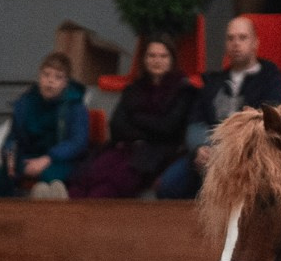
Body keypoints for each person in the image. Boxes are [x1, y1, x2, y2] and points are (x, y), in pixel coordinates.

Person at [154, 16, 281, 199]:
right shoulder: (213, 81)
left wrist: (230, 151)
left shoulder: (271, 79)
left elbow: (274, 120)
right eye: (230, 38)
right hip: (209, 153)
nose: (235, 43)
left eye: (242, 38)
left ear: (255, 43)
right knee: (168, 187)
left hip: (251, 156)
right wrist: (200, 148)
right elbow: (196, 121)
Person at [69, 35, 196, 199]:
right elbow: (116, 126)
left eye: (163, 56)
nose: (157, 60)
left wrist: (135, 117)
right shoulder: (133, 89)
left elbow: (167, 129)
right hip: (123, 148)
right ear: (144, 59)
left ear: (172, 59)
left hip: (155, 154)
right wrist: (149, 125)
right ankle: (57, 210)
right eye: (151, 56)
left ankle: (85, 219)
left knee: (112, 183)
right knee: (90, 174)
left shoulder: (183, 90)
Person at [0, 51, 90, 199]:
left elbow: (78, 142)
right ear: (39, 77)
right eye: (46, 75)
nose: (50, 81)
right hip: (27, 158)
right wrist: (9, 154)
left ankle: (45, 203)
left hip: (60, 159)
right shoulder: (25, 103)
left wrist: (48, 158)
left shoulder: (75, 107)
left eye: (57, 77)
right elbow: (13, 137)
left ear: (65, 83)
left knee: (51, 178)